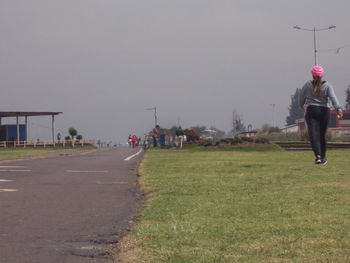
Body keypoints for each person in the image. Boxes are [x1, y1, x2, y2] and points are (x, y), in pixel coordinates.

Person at [299, 65, 343, 165]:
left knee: (314, 134)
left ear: (312, 74)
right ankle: (323, 157)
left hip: (311, 110)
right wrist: (338, 108)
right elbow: (333, 97)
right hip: (324, 111)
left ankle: (318, 157)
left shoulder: (307, 85)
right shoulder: (327, 85)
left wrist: (302, 106)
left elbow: (301, 97)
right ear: (322, 74)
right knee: (322, 135)